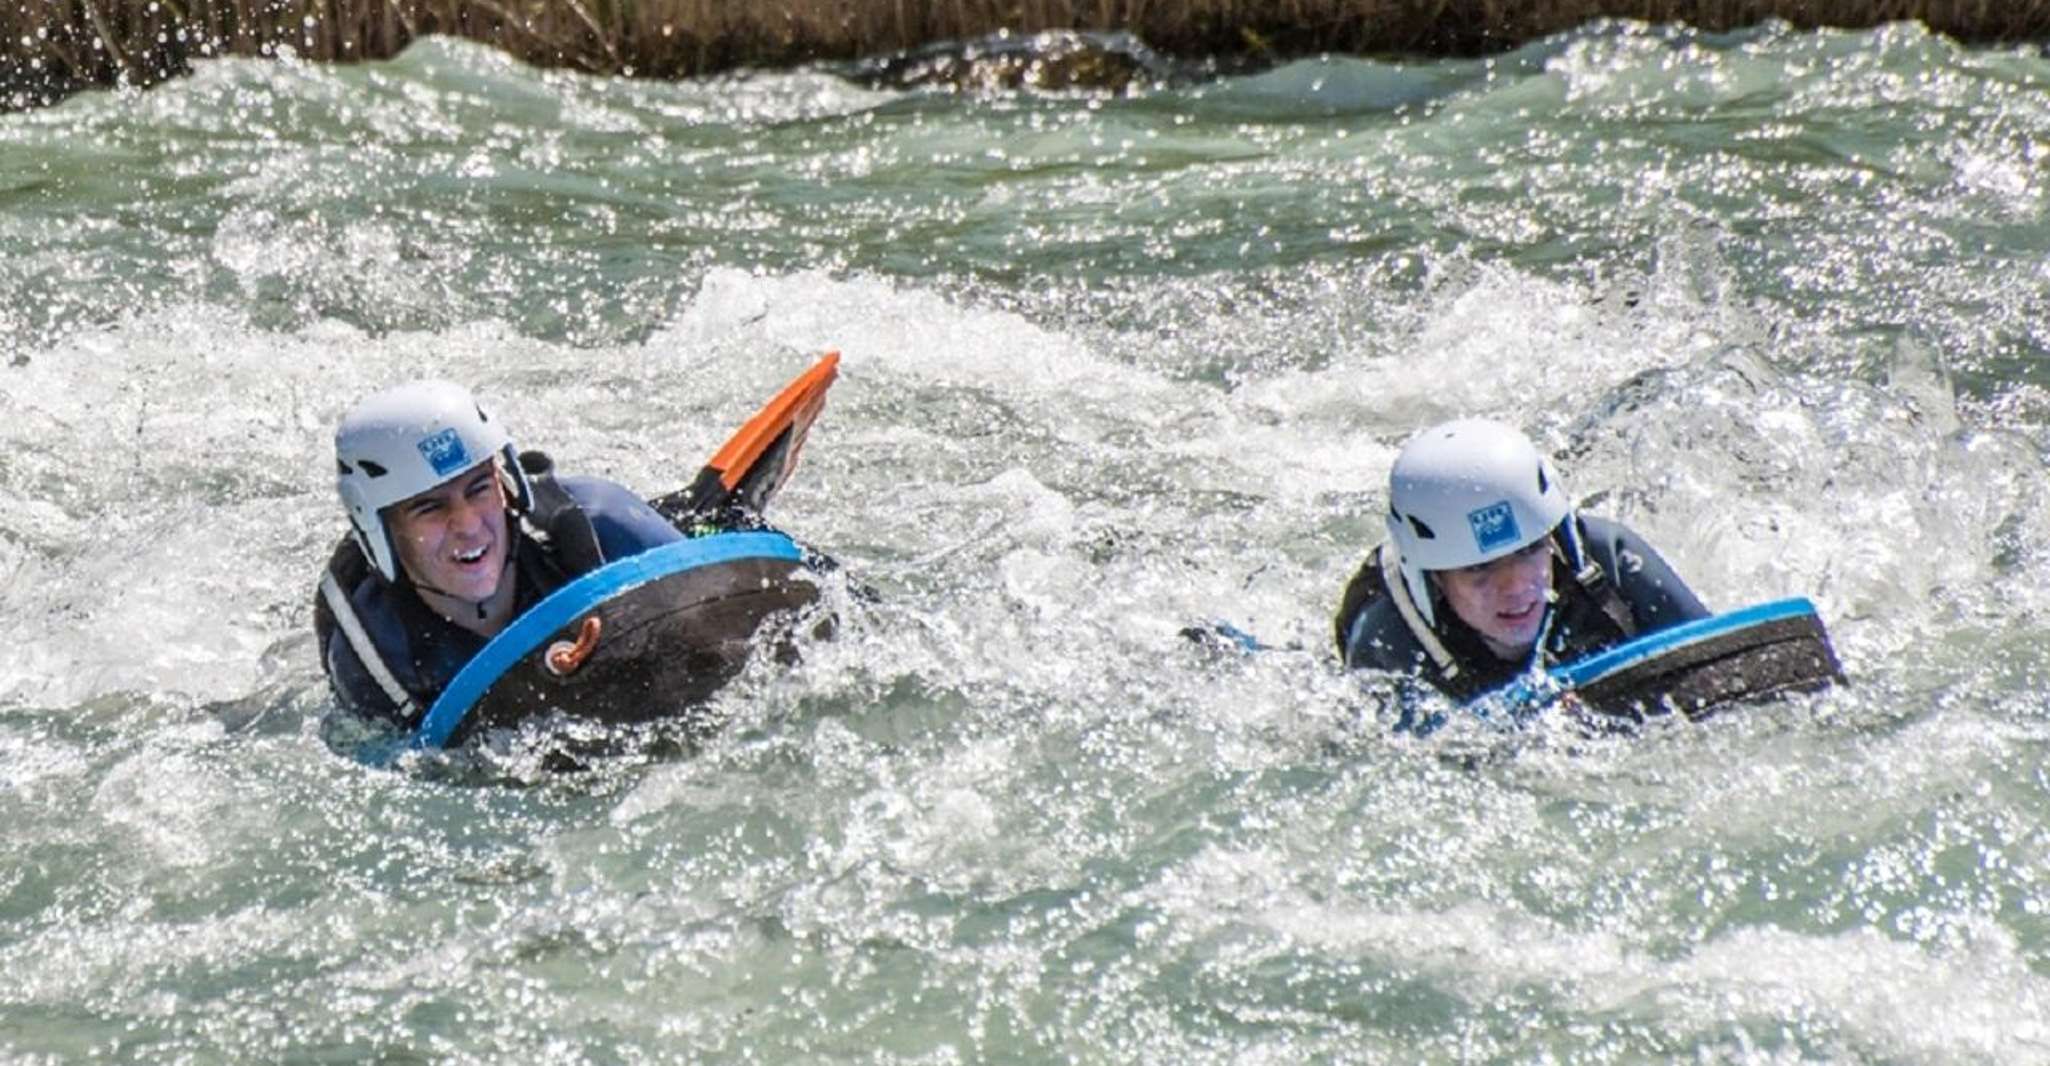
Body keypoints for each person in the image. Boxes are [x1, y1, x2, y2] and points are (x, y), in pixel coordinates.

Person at [314, 380, 701, 730]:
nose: (467, 524)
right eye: (429, 508)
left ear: (506, 484)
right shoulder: (378, 660)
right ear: (380, 529)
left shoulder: (607, 528)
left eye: (479, 488)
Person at [1334, 418, 1709, 730]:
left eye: (1530, 551)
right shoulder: (1391, 643)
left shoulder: (1609, 561)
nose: (1516, 587)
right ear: (1433, 579)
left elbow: (1719, 674)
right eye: (1478, 568)